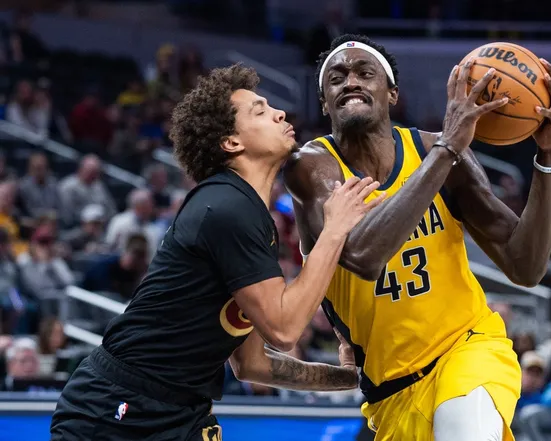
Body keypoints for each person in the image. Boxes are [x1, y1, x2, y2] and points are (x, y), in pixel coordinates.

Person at [50, 65, 385, 441]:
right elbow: (284, 328)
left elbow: (251, 363)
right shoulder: (226, 208)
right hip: (116, 410)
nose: (280, 113)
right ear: (231, 142)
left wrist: (349, 379)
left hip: (181, 411)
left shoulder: (245, 211)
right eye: (260, 110)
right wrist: (334, 228)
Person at [284, 34, 551, 441]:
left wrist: (549, 157)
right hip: (391, 392)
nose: (351, 82)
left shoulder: (438, 152)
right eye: (337, 78)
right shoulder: (312, 166)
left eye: (366, 73)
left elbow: (525, 267)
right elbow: (363, 254)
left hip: (467, 347)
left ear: (392, 93)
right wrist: (448, 147)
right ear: (325, 103)